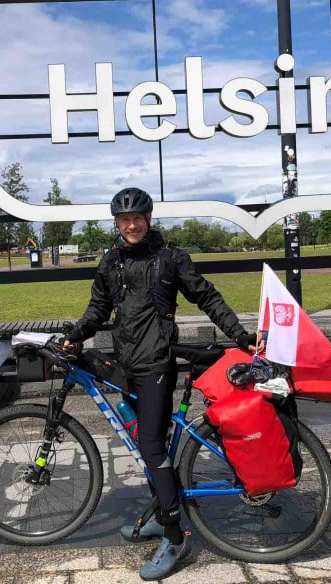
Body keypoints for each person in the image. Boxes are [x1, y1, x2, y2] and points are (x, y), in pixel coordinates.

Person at [64, 186, 256, 581]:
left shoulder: (170, 259)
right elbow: (99, 307)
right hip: (126, 362)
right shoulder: (111, 262)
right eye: (124, 219)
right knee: (144, 439)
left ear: (148, 219)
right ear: (116, 223)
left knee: (151, 445)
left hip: (156, 364)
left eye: (137, 217)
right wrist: (75, 334)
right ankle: (159, 508)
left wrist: (241, 335)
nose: (131, 224)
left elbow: (207, 297)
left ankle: (174, 534)